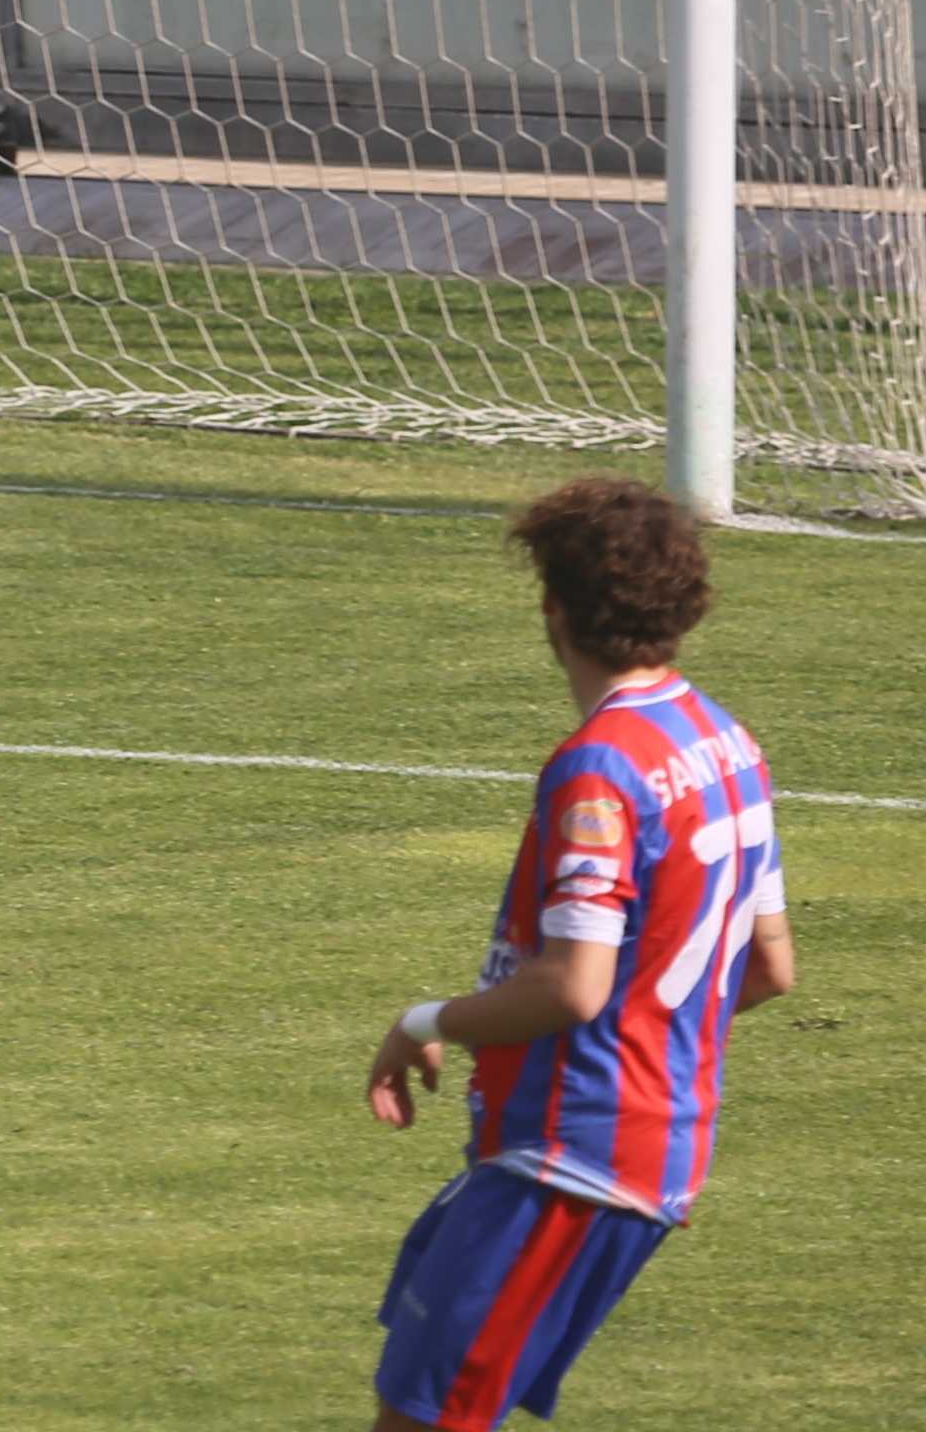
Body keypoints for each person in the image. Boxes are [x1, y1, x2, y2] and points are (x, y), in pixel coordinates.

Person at [357, 475, 796, 1432]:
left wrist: (424, 1022)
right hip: (629, 1142)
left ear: (552, 608)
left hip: (574, 1156)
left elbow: (577, 986)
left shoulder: (600, 766)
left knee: (427, 1419)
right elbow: (767, 968)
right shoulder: (727, 739)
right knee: (422, 1394)